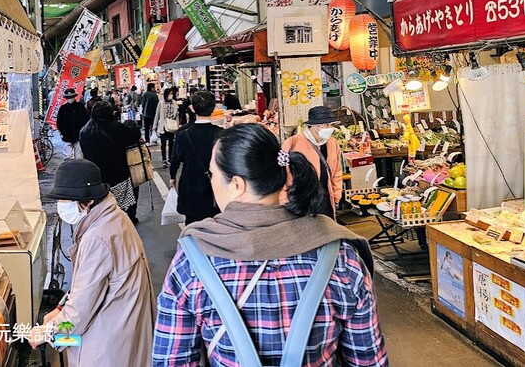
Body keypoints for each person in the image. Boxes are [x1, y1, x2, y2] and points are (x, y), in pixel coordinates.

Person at [153, 124, 387, 367]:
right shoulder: (341, 256)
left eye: (212, 174)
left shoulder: (192, 261)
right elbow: (368, 360)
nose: (211, 181)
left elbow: (171, 360)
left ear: (236, 184)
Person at [30, 159, 155, 366]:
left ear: (87, 201)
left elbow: (81, 308)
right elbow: (92, 286)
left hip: (109, 339)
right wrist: (60, 309)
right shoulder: (114, 217)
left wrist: (49, 332)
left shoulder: (98, 237)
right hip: (125, 326)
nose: (61, 205)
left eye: (66, 200)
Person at [281, 105, 343, 219]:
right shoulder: (292, 143)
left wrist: (336, 196)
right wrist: (286, 201)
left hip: (326, 199)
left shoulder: (333, 143)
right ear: (315, 125)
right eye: (326, 124)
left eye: (331, 124)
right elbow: (282, 175)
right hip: (302, 201)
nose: (330, 128)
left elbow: (337, 172)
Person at [169, 91, 221, 225]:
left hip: (191, 186)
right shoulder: (222, 134)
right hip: (216, 189)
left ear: (192, 108)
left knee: (192, 227)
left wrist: (172, 177)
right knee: (217, 226)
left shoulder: (183, 135)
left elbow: (176, 158)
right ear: (213, 108)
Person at [79, 101, 137, 218]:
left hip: (96, 177)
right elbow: (133, 136)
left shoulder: (85, 131)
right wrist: (130, 124)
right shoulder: (117, 128)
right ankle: (126, 218)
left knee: (101, 203)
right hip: (117, 175)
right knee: (120, 203)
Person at [55, 88, 89, 159]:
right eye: (68, 98)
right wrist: (63, 132)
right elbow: (59, 122)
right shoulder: (63, 108)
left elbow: (86, 119)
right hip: (67, 136)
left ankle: (78, 169)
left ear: (74, 97)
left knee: (79, 157)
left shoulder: (80, 106)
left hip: (79, 135)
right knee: (68, 157)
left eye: (71, 97)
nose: (70, 99)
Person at [154, 88, 180, 167]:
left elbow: (177, 116)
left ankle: (170, 158)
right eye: (169, 93)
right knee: (163, 143)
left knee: (171, 143)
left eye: (172, 93)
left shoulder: (174, 103)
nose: (171, 95)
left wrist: (177, 126)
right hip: (163, 125)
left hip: (171, 125)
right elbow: (157, 115)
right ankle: (164, 159)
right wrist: (154, 126)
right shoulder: (161, 103)